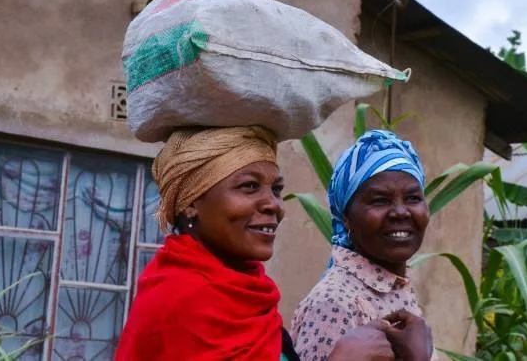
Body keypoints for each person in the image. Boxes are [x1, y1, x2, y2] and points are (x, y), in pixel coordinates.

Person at [115, 125, 426, 360]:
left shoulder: (248, 298)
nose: (274, 205)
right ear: (191, 203)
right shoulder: (180, 301)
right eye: (249, 187)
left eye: (276, 190)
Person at [290, 129, 437, 361]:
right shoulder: (336, 302)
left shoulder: (393, 286)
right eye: (380, 200)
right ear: (346, 216)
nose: (400, 212)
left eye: (412, 198)